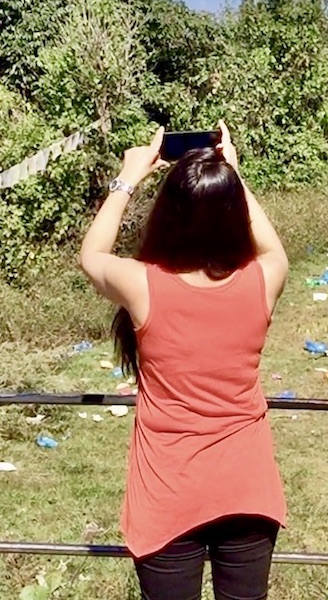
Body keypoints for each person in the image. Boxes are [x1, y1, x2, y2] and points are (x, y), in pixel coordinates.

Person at [79, 122, 289, 600]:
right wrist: (231, 175)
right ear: (235, 212)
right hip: (246, 487)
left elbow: (92, 253)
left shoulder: (143, 285)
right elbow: (271, 246)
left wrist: (128, 177)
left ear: (168, 216)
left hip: (168, 493)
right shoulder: (265, 279)